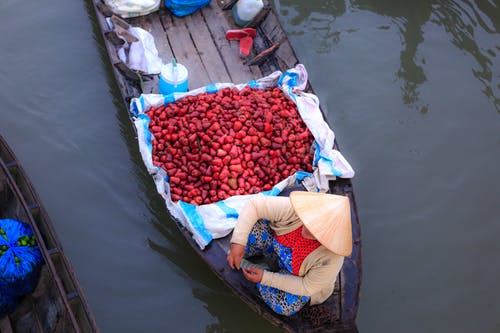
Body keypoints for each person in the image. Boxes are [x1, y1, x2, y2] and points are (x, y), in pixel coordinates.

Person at [226, 191, 352, 316]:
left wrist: (265, 278)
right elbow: (255, 206)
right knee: (255, 226)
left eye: (318, 232)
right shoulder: (294, 210)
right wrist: (238, 243)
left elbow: (306, 286)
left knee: (285, 305)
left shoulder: (332, 259)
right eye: (310, 220)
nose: (308, 229)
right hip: (274, 249)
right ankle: (249, 259)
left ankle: (261, 275)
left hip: (296, 278)